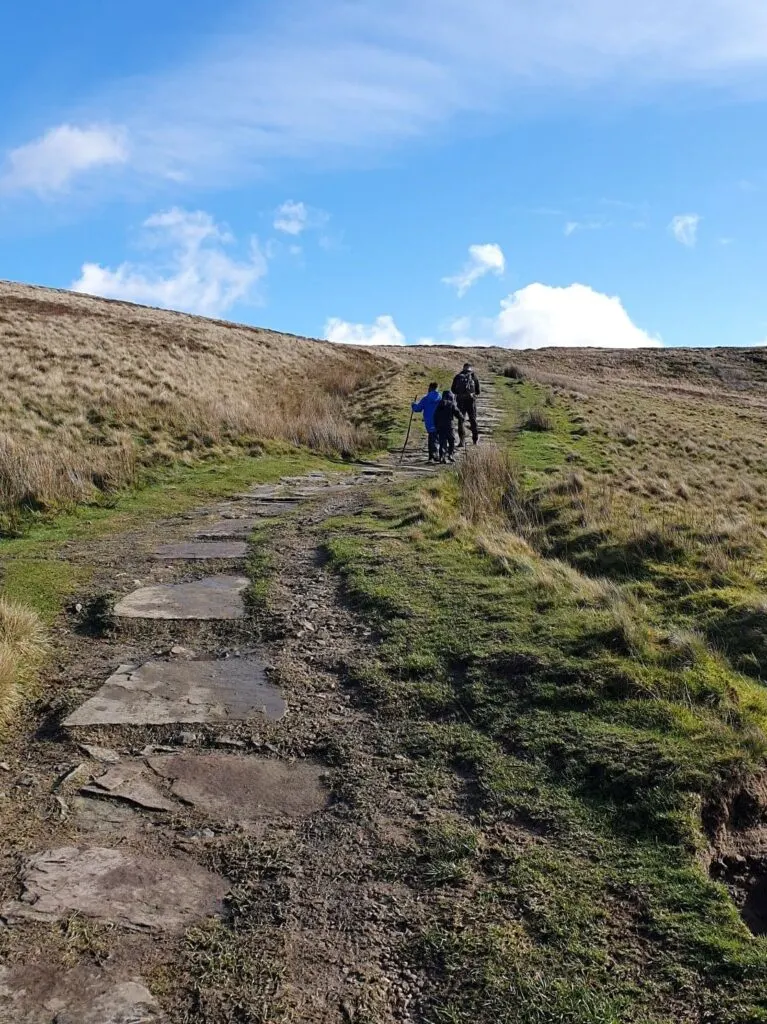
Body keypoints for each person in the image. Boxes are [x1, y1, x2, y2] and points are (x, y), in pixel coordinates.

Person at [451, 362, 481, 446]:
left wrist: (460, 393)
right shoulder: (474, 376)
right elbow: (478, 391)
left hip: (460, 401)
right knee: (473, 420)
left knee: (461, 420)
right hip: (471, 401)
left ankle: (461, 441)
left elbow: (453, 390)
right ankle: (475, 440)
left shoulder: (457, 376)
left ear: (463, 368)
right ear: (470, 368)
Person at [411, 382, 441, 463]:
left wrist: (413, 405)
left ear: (430, 388)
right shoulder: (441, 397)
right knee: (438, 438)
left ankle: (432, 456)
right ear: (437, 388)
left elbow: (417, 409)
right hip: (440, 421)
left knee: (432, 438)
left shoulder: (426, 398)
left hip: (430, 421)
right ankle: (437, 455)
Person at [434, 390, 464, 463]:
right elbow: (458, 414)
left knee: (442, 442)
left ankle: (442, 457)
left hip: (441, 427)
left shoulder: (439, 404)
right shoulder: (451, 404)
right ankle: (450, 455)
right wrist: (462, 418)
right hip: (450, 426)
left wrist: (436, 425)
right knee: (451, 441)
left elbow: (435, 416)